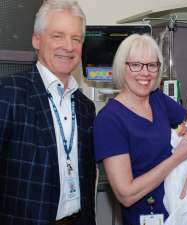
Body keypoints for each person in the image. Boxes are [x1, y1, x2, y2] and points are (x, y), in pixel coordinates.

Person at [93, 34, 187, 225]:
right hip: (144, 218)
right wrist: (178, 157)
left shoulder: (157, 99)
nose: (145, 73)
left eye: (151, 65)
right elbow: (126, 194)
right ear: (122, 67)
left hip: (179, 211)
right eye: (136, 65)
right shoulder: (109, 120)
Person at [0, 1, 96, 225]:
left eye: (76, 39)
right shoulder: (8, 94)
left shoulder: (85, 108)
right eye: (57, 36)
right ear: (36, 40)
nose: (68, 46)